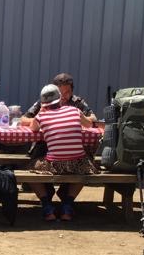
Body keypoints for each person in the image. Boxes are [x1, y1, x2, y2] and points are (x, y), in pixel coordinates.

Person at [28, 83, 97, 222]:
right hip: (78, 163)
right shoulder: (74, 110)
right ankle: (67, 206)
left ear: (43, 103)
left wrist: (41, 112)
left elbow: (33, 128)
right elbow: (89, 124)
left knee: (29, 169)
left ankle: (47, 206)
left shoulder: (42, 116)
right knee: (88, 167)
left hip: (54, 164)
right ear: (59, 98)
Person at [21, 72, 97, 126]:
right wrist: (44, 121)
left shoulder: (77, 101)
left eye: (67, 92)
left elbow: (94, 118)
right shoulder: (46, 101)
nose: (63, 96)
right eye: (60, 92)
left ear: (72, 91)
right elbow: (23, 120)